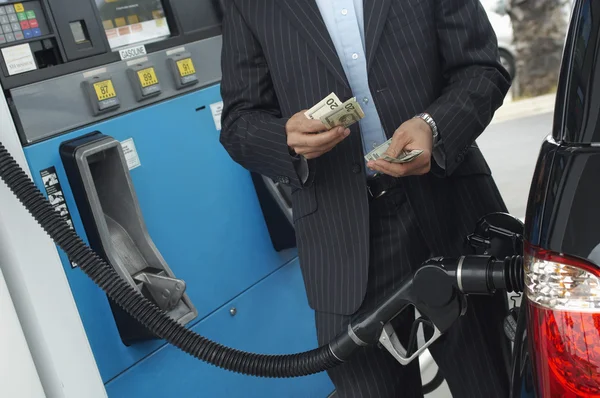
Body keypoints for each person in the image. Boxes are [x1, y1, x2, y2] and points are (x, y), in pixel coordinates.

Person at [219, 0, 512, 397]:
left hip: (452, 213)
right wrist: (285, 139)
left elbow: (482, 69)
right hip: (341, 245)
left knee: (494, 383)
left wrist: (435, 126)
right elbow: (239, 122)